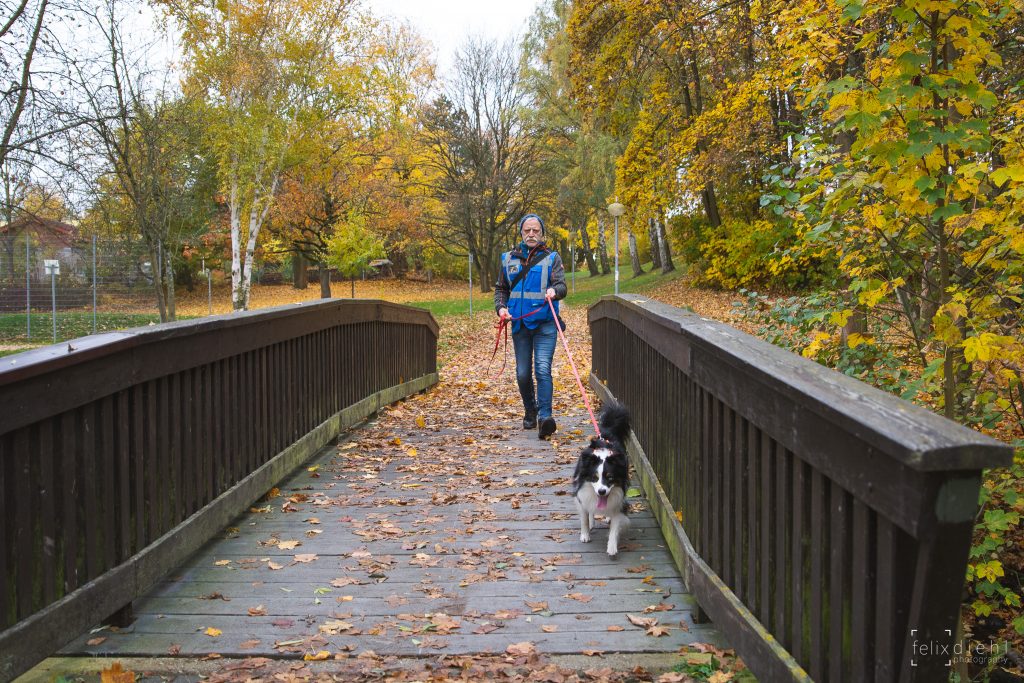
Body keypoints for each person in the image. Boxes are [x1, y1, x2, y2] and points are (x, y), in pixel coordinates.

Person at [494, 213, 568, 439]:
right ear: (521, 232)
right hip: (520, 325)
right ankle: (530, 410)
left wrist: (554, 291)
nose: (531, 234)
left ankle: (545, 417)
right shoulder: (508, 259)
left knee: (543, 369)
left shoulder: (552, 257)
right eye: (527, 230)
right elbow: (501, 289)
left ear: (542, 232)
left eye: (535, 230)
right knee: (523, 374)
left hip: (545, 322)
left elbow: (562, 285)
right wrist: (501, 308)